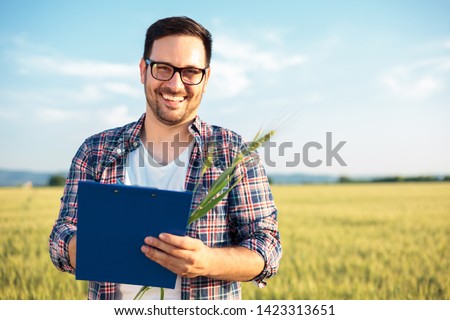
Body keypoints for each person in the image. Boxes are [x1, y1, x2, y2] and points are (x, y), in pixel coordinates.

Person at [49, 16, 281, 300]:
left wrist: (207, 261)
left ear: (205, 79)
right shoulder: (95, 151)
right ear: (142, 70)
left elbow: (267, 249)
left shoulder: (234, 153)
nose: (175, 84)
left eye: (191, 72)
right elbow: (61, 236)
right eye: (163, 68)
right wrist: (83, 246)